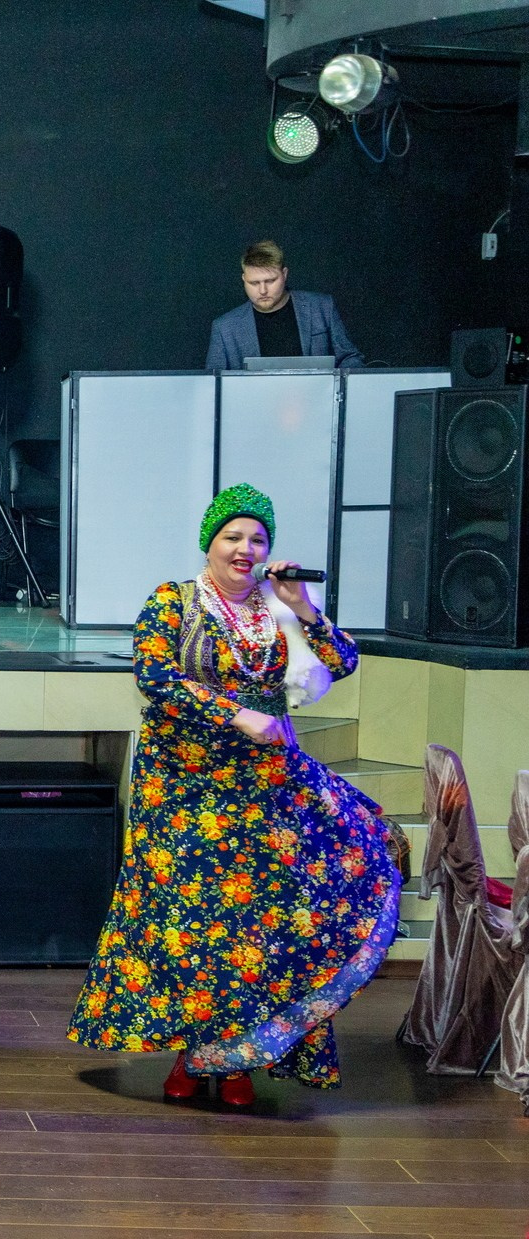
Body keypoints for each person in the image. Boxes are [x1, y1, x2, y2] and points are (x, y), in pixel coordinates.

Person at [68, 483, 403, 1105]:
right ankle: (190, 1056)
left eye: (258, 539)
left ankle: (237, 1061)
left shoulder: (276, 609)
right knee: (193, 925)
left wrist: (301, 605)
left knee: (260, 925)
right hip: (184, 790)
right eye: (233, 537)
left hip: (265, 789)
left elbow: (344, 659)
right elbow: (156, 677)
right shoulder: (174, 601)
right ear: (210, 543)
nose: (246, 549)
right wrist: (234, 715)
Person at [205, 240, 362, 371]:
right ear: (243, 279)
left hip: (319, 403)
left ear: (284, 274)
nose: (263, 290)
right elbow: (213, 386)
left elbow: (350, 358)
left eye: (270, 280)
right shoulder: (224, 328)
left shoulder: (321, 307)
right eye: (254, 283)